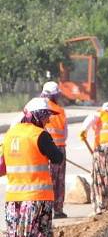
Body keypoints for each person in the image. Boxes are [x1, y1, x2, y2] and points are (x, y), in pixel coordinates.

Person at [3, 98, 64, 237]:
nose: (49, 119)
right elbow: (57, 158)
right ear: (37, 115)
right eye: (46, 115)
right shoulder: (40, 135)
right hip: (37, 199)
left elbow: (1, 167)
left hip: (13, 201)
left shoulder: (9, 135)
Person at [39, 82, 68, 219]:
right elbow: (65, 133)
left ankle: (45, 211)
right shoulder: (61, 111)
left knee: (46, 180)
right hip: (59, 148)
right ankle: (58, 210)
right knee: (58, 181)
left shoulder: (36, 108)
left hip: (42, 149)